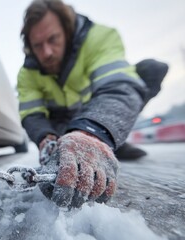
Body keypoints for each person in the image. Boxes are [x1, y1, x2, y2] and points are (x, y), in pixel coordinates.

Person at [17, 0, 168, 208]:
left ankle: (106, 138)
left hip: (98, 113)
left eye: (53, 39)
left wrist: (92, 133)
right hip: (61, 126)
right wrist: (46, 137)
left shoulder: (98, 38)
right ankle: (100, 140)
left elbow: (118, 86)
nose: (47, 53)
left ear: (67, 32)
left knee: (150, 70)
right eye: (37, 46)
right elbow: (32, 114)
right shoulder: (27, 74)